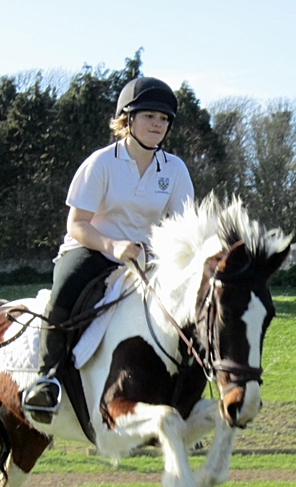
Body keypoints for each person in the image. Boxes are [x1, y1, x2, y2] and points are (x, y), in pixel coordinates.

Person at [22, 76, 195, 423]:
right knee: (63, 294)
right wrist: (113, 245)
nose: (157, 124)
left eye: (163, 119)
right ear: (127, 119)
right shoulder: (101, 163)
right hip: (93, 249)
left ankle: (187, 390)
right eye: (149, 116)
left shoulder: (174, 169)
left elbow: (183, 228)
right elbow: (77, 223)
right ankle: (46, 379)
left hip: (148, 259)